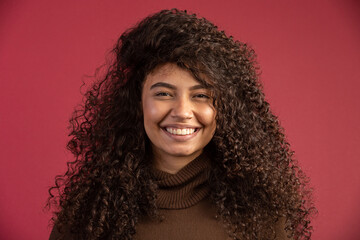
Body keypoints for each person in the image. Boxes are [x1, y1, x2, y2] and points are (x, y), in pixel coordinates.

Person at [48, 9, 315, 240]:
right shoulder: (90, 214)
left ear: (224, 109)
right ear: (135, 103)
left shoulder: (263, 215)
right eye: (163, 93)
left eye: (200, 96)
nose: (182, 112)